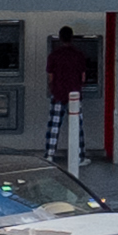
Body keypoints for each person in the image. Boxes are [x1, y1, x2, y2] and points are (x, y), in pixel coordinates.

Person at [45, 29, 97, 160]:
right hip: (75, 94)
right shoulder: (79, 55)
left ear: (60, 38)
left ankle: (50, 154)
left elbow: (50, 76)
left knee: (54, 125)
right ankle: (80, 156)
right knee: (77, 126)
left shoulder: (54, 55)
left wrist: (52, 88)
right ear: (72, 38)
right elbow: (83, 76)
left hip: (58, 93)